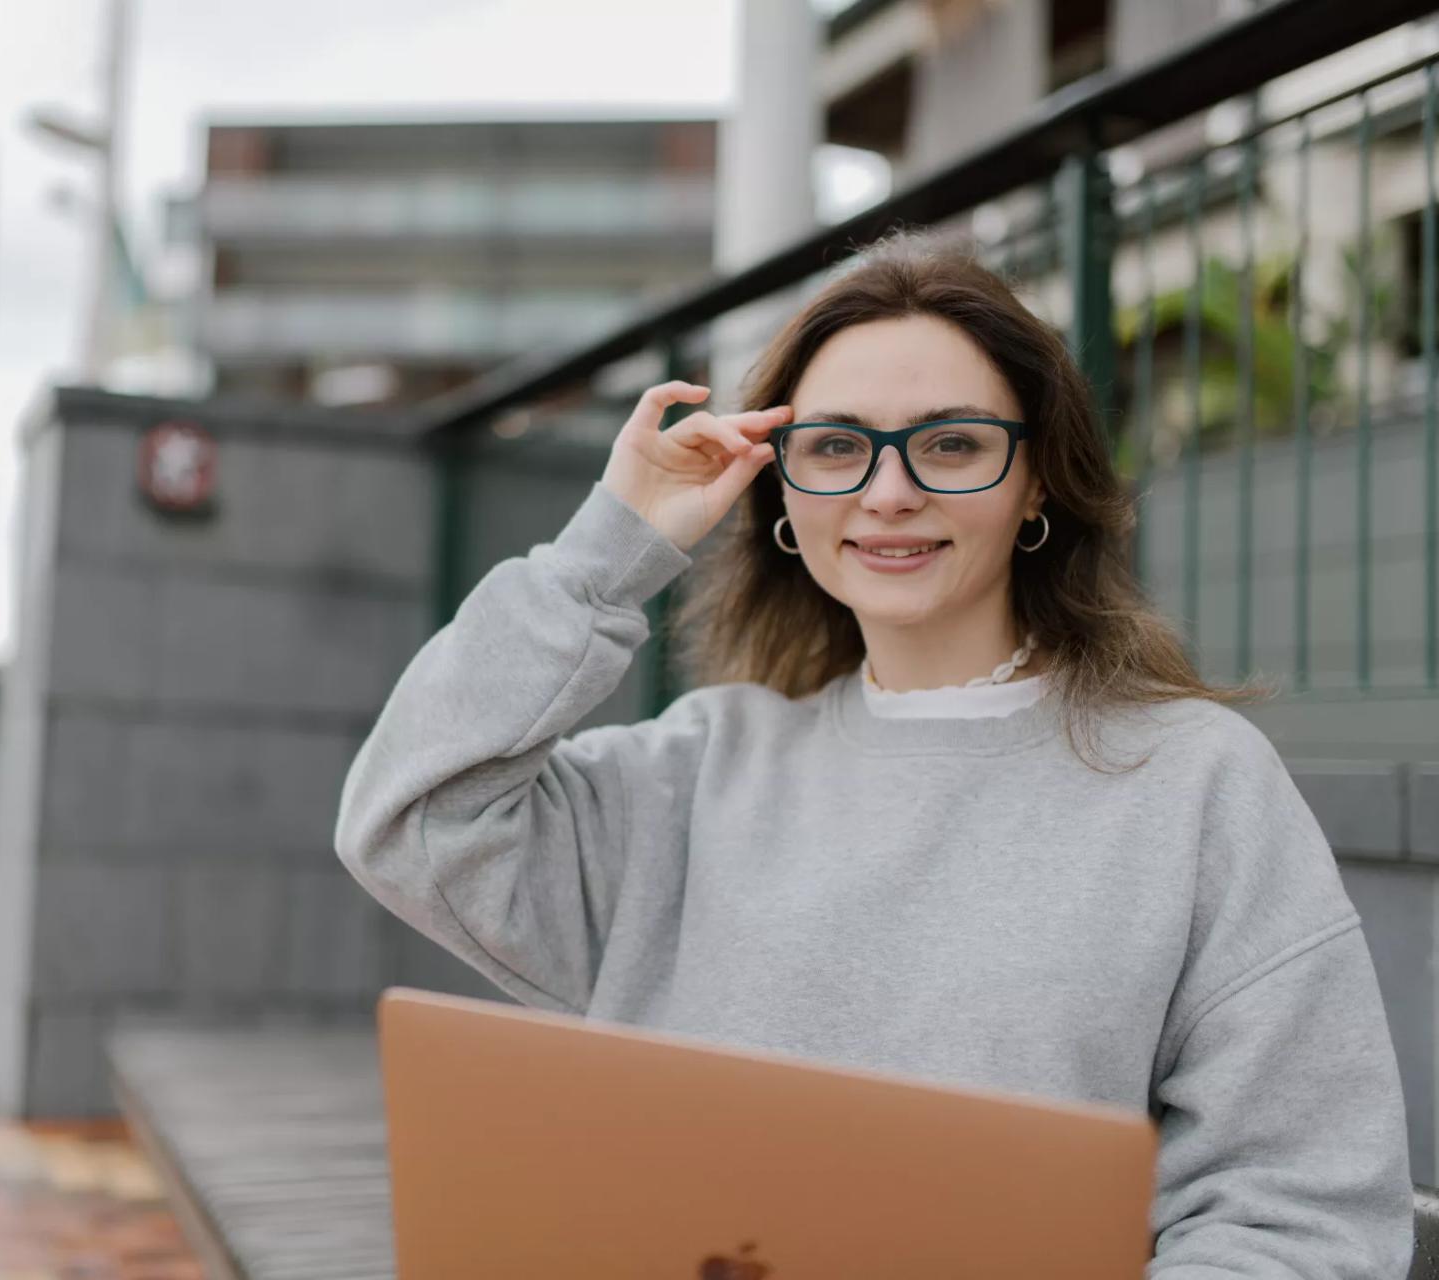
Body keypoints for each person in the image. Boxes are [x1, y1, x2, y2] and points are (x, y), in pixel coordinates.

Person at [332, 231, 1412, 1275]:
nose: (889, 492)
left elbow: (1299, 1205)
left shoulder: (1195, 783)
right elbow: (416, 818)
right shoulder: (699, 771)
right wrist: (607, 551)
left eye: (950, 442)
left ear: (1036, 481)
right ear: (785, 493)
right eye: (838, 446)